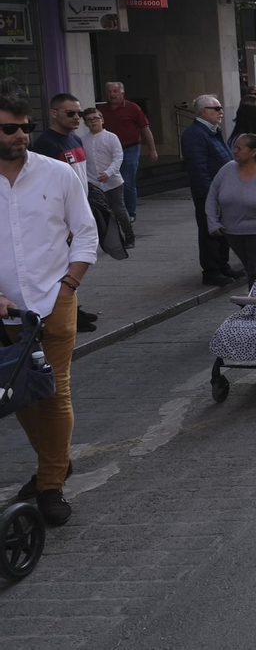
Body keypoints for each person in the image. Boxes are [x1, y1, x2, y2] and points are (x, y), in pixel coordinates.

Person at [0, 92, 97, 526]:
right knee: (21, 395)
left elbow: (86, 234)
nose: (21, 135)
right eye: (9, 128)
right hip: (5, 316)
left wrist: (68, 285)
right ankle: (54, 462)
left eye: (24, 126)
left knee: (54, 393)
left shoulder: (58, 174)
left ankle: (51, 484)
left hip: (54, 303)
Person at [204, 134, 256, 283]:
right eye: (234, 147)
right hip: (233, 232)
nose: (235, 151)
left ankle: (255, 304)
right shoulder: (227, 169)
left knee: (255, 270)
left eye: (239, 148)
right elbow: (211, 197)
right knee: (251, 269)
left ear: (253, 152)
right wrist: (213, 223)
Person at [182, 94, 242, 286]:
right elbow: (198, 168)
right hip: (208, 194)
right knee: (209, 231)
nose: (221, 112)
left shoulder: (212, 131)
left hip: (221, 191)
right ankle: (211, 270)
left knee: (222, 230)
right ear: (204, 111)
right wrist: (210, 197)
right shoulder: (195, 134)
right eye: (217, 108)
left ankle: (222, 265)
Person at [97, 81, 157, 221]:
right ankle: (112, 209)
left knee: (127, 180)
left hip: (129, 148)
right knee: (108, 179)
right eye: (109, 92)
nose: (112, 94)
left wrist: (152, 149)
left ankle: (130, 212)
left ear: (122, 93)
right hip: (108, 150)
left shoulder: (133, 108)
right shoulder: (102, 110)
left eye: (115, 91)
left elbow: (145, 129)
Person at [82, 107, 135, 249]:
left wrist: (109, 173)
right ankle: (109, 240)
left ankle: (129, 235)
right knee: (100, 213)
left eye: (96, 118)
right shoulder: (83, 140)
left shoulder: (111, 137)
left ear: (102, 120)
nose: (93, 122)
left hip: (113, 182)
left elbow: (118, 157)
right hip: (93, 183)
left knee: (119, 209)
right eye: (89, 120)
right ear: (85, 123)